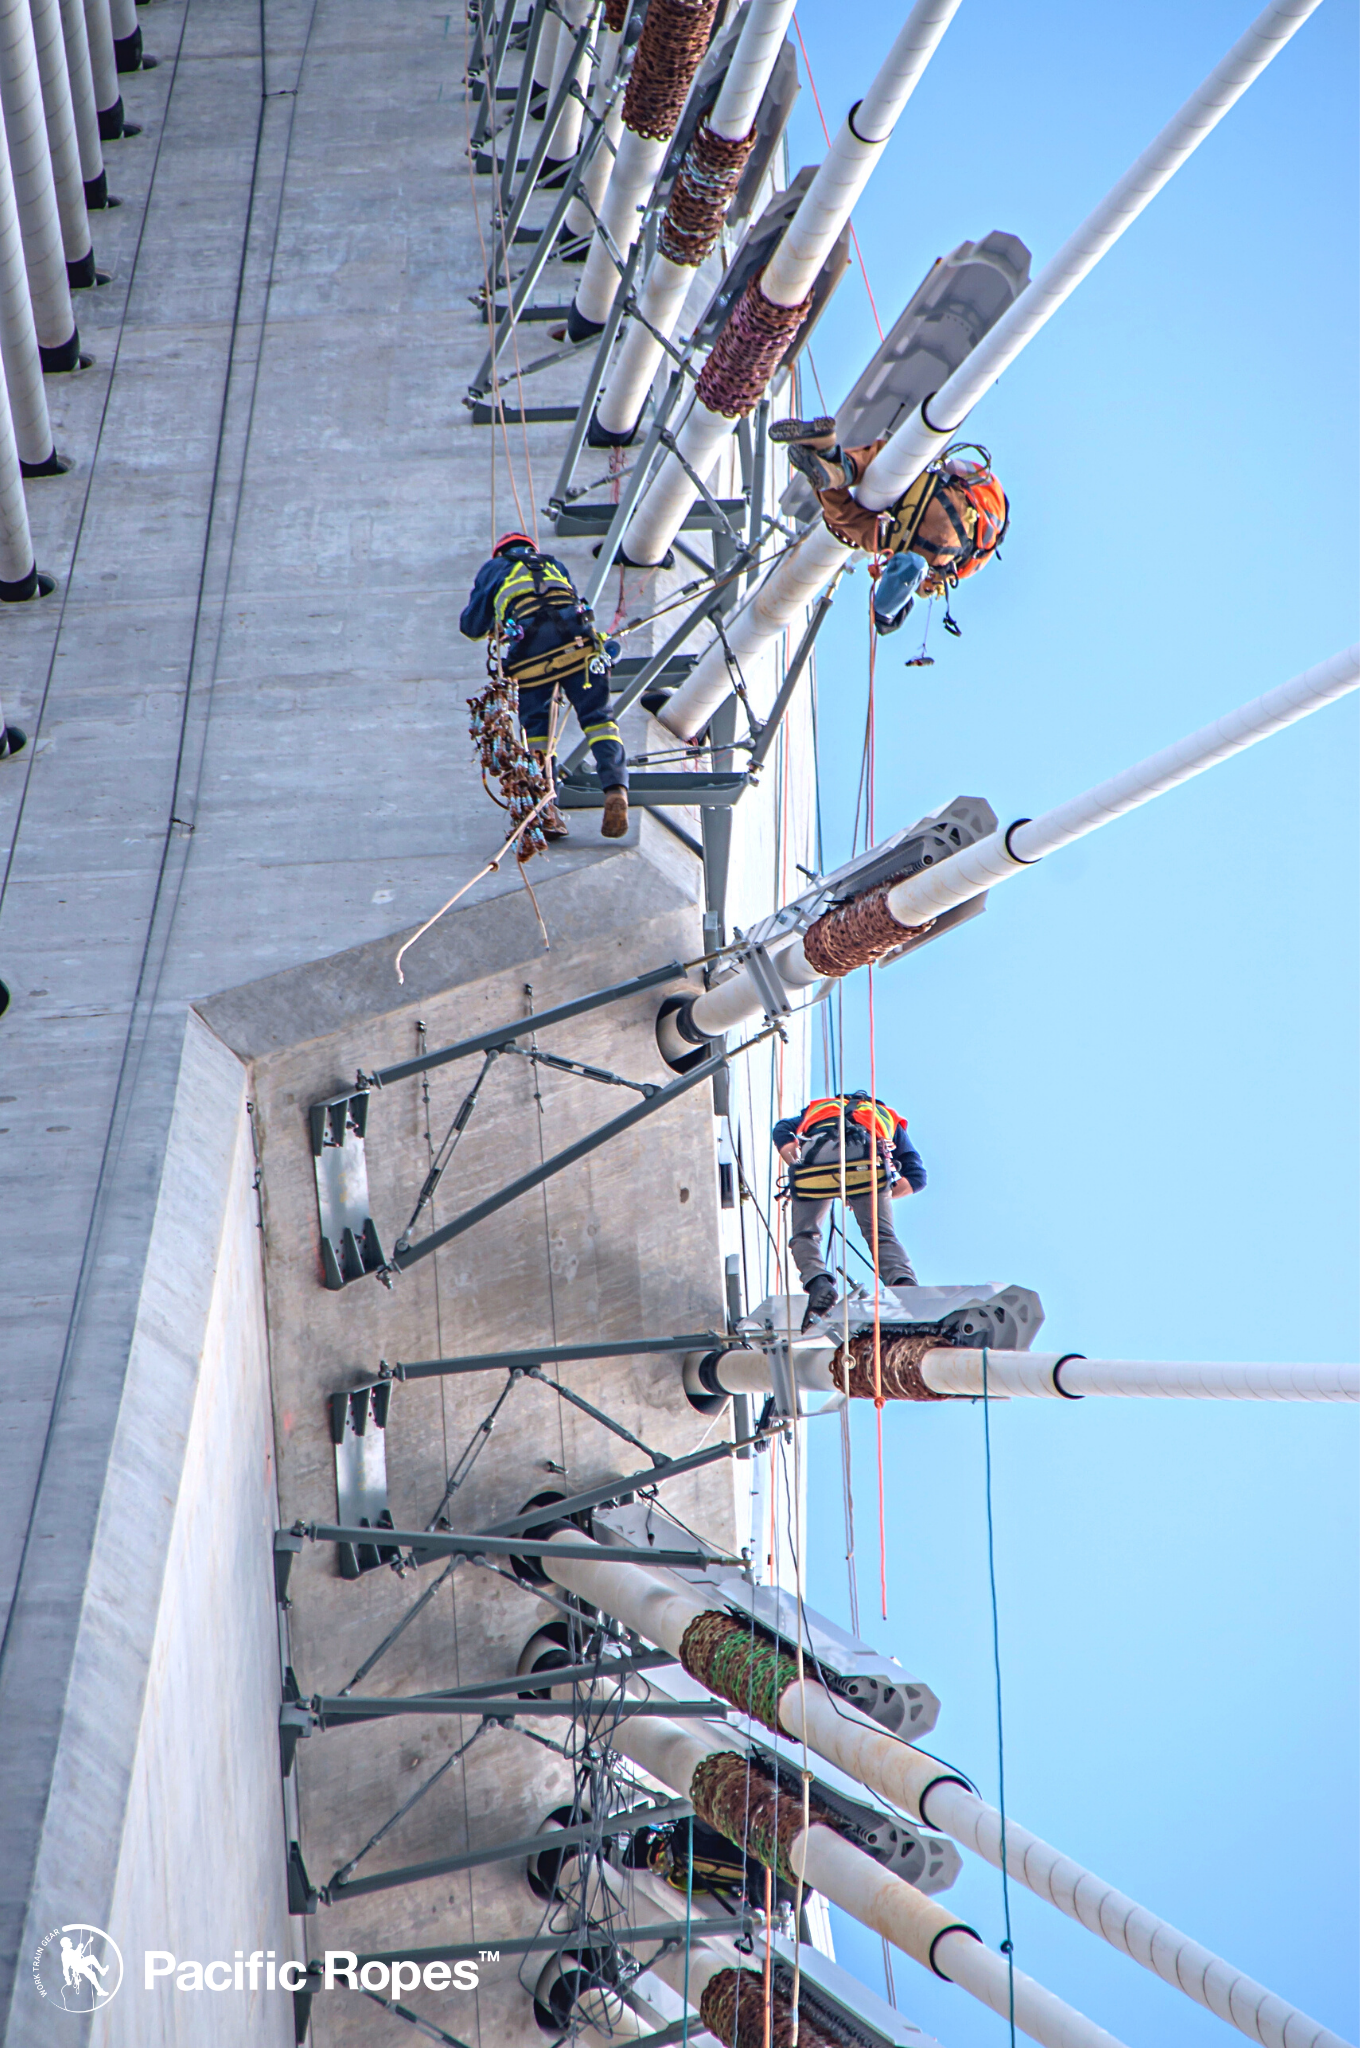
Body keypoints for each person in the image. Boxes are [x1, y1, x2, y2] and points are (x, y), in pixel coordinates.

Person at [460, 533, 629, 839]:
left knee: (536, 731)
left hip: (531, 655)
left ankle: (544, 809)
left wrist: (495, 625)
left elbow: (471, 627)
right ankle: (616, 788)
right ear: (531, 549)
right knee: (599, 720)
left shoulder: (494, 568)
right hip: (579, 646)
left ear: (500, 552)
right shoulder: (553, 564)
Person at [770, 417, 1007, 635]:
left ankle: (838, 462)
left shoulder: (989, 494)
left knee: (890, 460)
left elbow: (950, 466)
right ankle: (830, 471)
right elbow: (923, 579)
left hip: (939, 496)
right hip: (937, 542)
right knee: (845, 521)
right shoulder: (972, 563)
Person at [773, 1091, 925, 1327]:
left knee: (805, 1234)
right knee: (881, 1236)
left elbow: (781, 1129)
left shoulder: (820, 1107)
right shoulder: (887, 1117)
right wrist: (874, 1195)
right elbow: (917, 1177)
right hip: (866, 1158)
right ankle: (904, 1287)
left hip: (818, 1155)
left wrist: (797, 1164)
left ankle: (818, 1283)